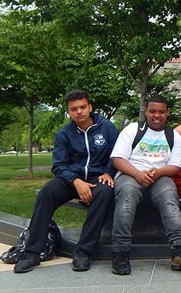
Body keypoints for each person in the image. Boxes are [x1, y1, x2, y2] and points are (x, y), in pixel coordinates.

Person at [14, 90, 118, 274]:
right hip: (71, 178)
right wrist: (76, 181)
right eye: (74, 109)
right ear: (69, 112)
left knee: (105, 193)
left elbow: (116, 154)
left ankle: (83, 252)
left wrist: (109, 172)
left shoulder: (107, 127)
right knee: (47, 191)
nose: (79, 112)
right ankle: (31, 253)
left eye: (83, 107)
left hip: (98, 177)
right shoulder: (64, 134)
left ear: (90, 107)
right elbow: (59, 165)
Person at [110, 95, 181, 275]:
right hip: (129, 174)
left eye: (161, 112)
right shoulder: (133, 129)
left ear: (167, 113)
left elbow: (174, 166)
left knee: (169, 197)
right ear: (146, 111)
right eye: (152, 111)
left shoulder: (173, 136)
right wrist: (138, 175)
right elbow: (118, 159)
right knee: (127, 194)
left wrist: (157, 173)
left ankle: (179, 251)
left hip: (159, 177)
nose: (156, 115)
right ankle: (120, 252)